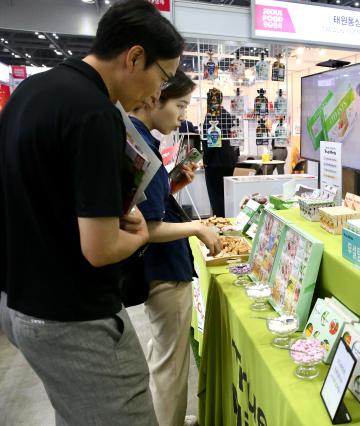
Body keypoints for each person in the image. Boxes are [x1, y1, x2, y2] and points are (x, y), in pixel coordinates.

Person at [0, 1, 183, 425]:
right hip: (73, 316)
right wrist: (137, 235)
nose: (158, 92)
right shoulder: (96, 114)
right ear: (135, 56)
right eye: (163, 76)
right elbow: (100, 249)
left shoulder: (33, 92)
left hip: (19, 300)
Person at [129, 69, 221, 426]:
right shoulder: (141, 142)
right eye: (180, 105)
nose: (182, 115)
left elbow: (148, 204)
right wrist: (197, 226)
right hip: (164, 270)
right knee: (171, 362)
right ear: (156, 98)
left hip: (158, 268)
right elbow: (148, 227)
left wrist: (173, 182)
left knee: (163, 353)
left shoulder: (138, 137)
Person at [202, 89, 239, 216]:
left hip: (214, 162)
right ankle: (227, 221)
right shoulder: (228, 115)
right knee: (227, 194)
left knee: (216, 196)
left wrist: (205, 160)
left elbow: (212, 142)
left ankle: (220, 223)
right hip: (229, 161)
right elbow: (235, 137)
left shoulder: (211, 116)